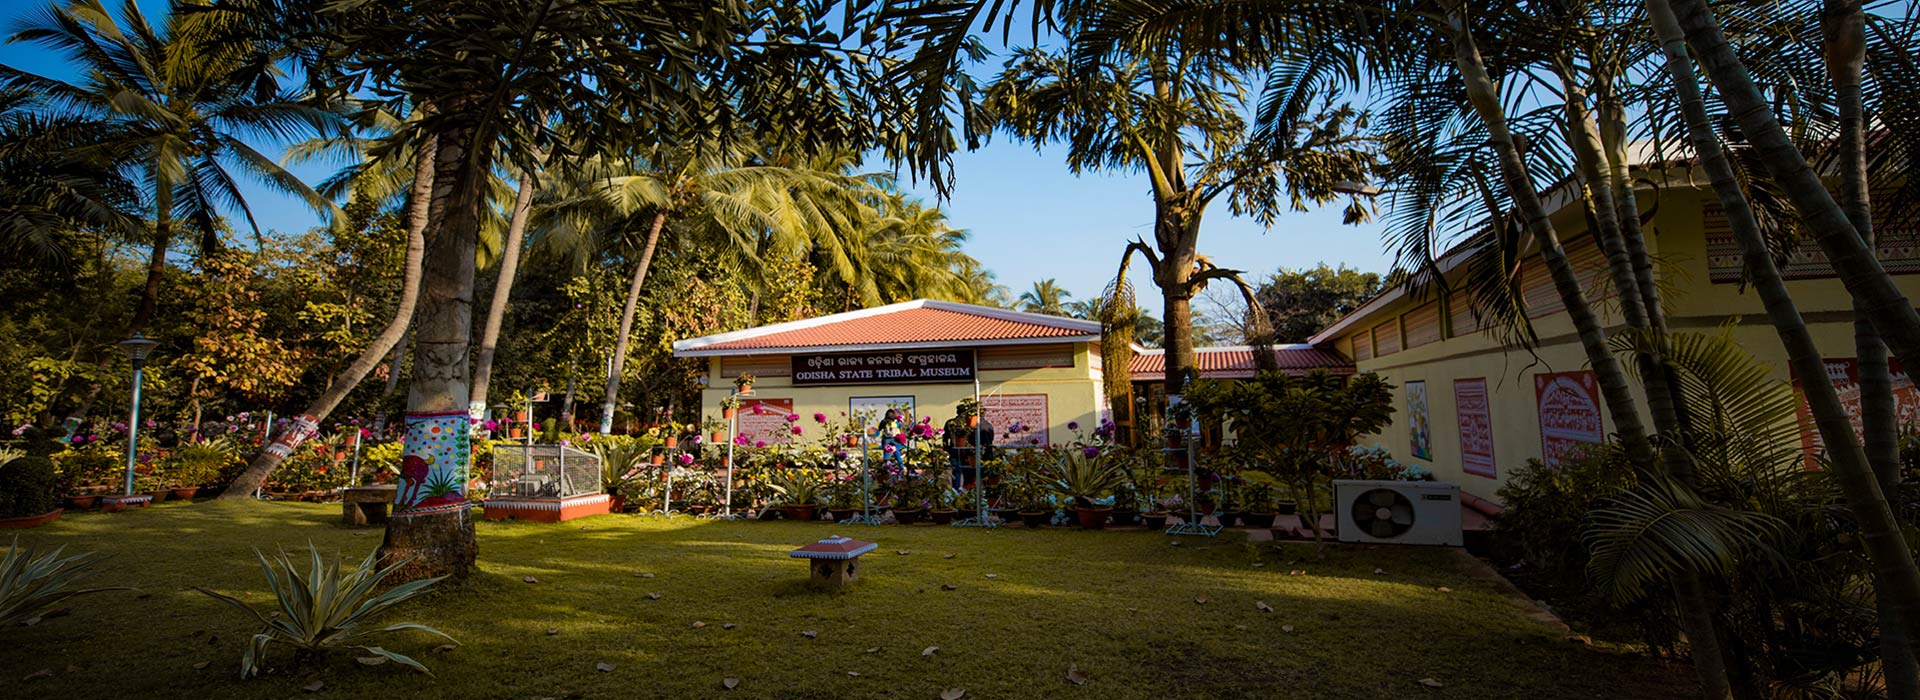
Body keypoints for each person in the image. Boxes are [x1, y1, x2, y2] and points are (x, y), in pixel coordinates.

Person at [942, 411, 994, 489]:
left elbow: (945, 438)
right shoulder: (986, 425)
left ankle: (957, 490)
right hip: (977, 454)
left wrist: (947, 449)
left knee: (957, 473)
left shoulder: (951, 422)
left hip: (958, 452)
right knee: (979, 475)